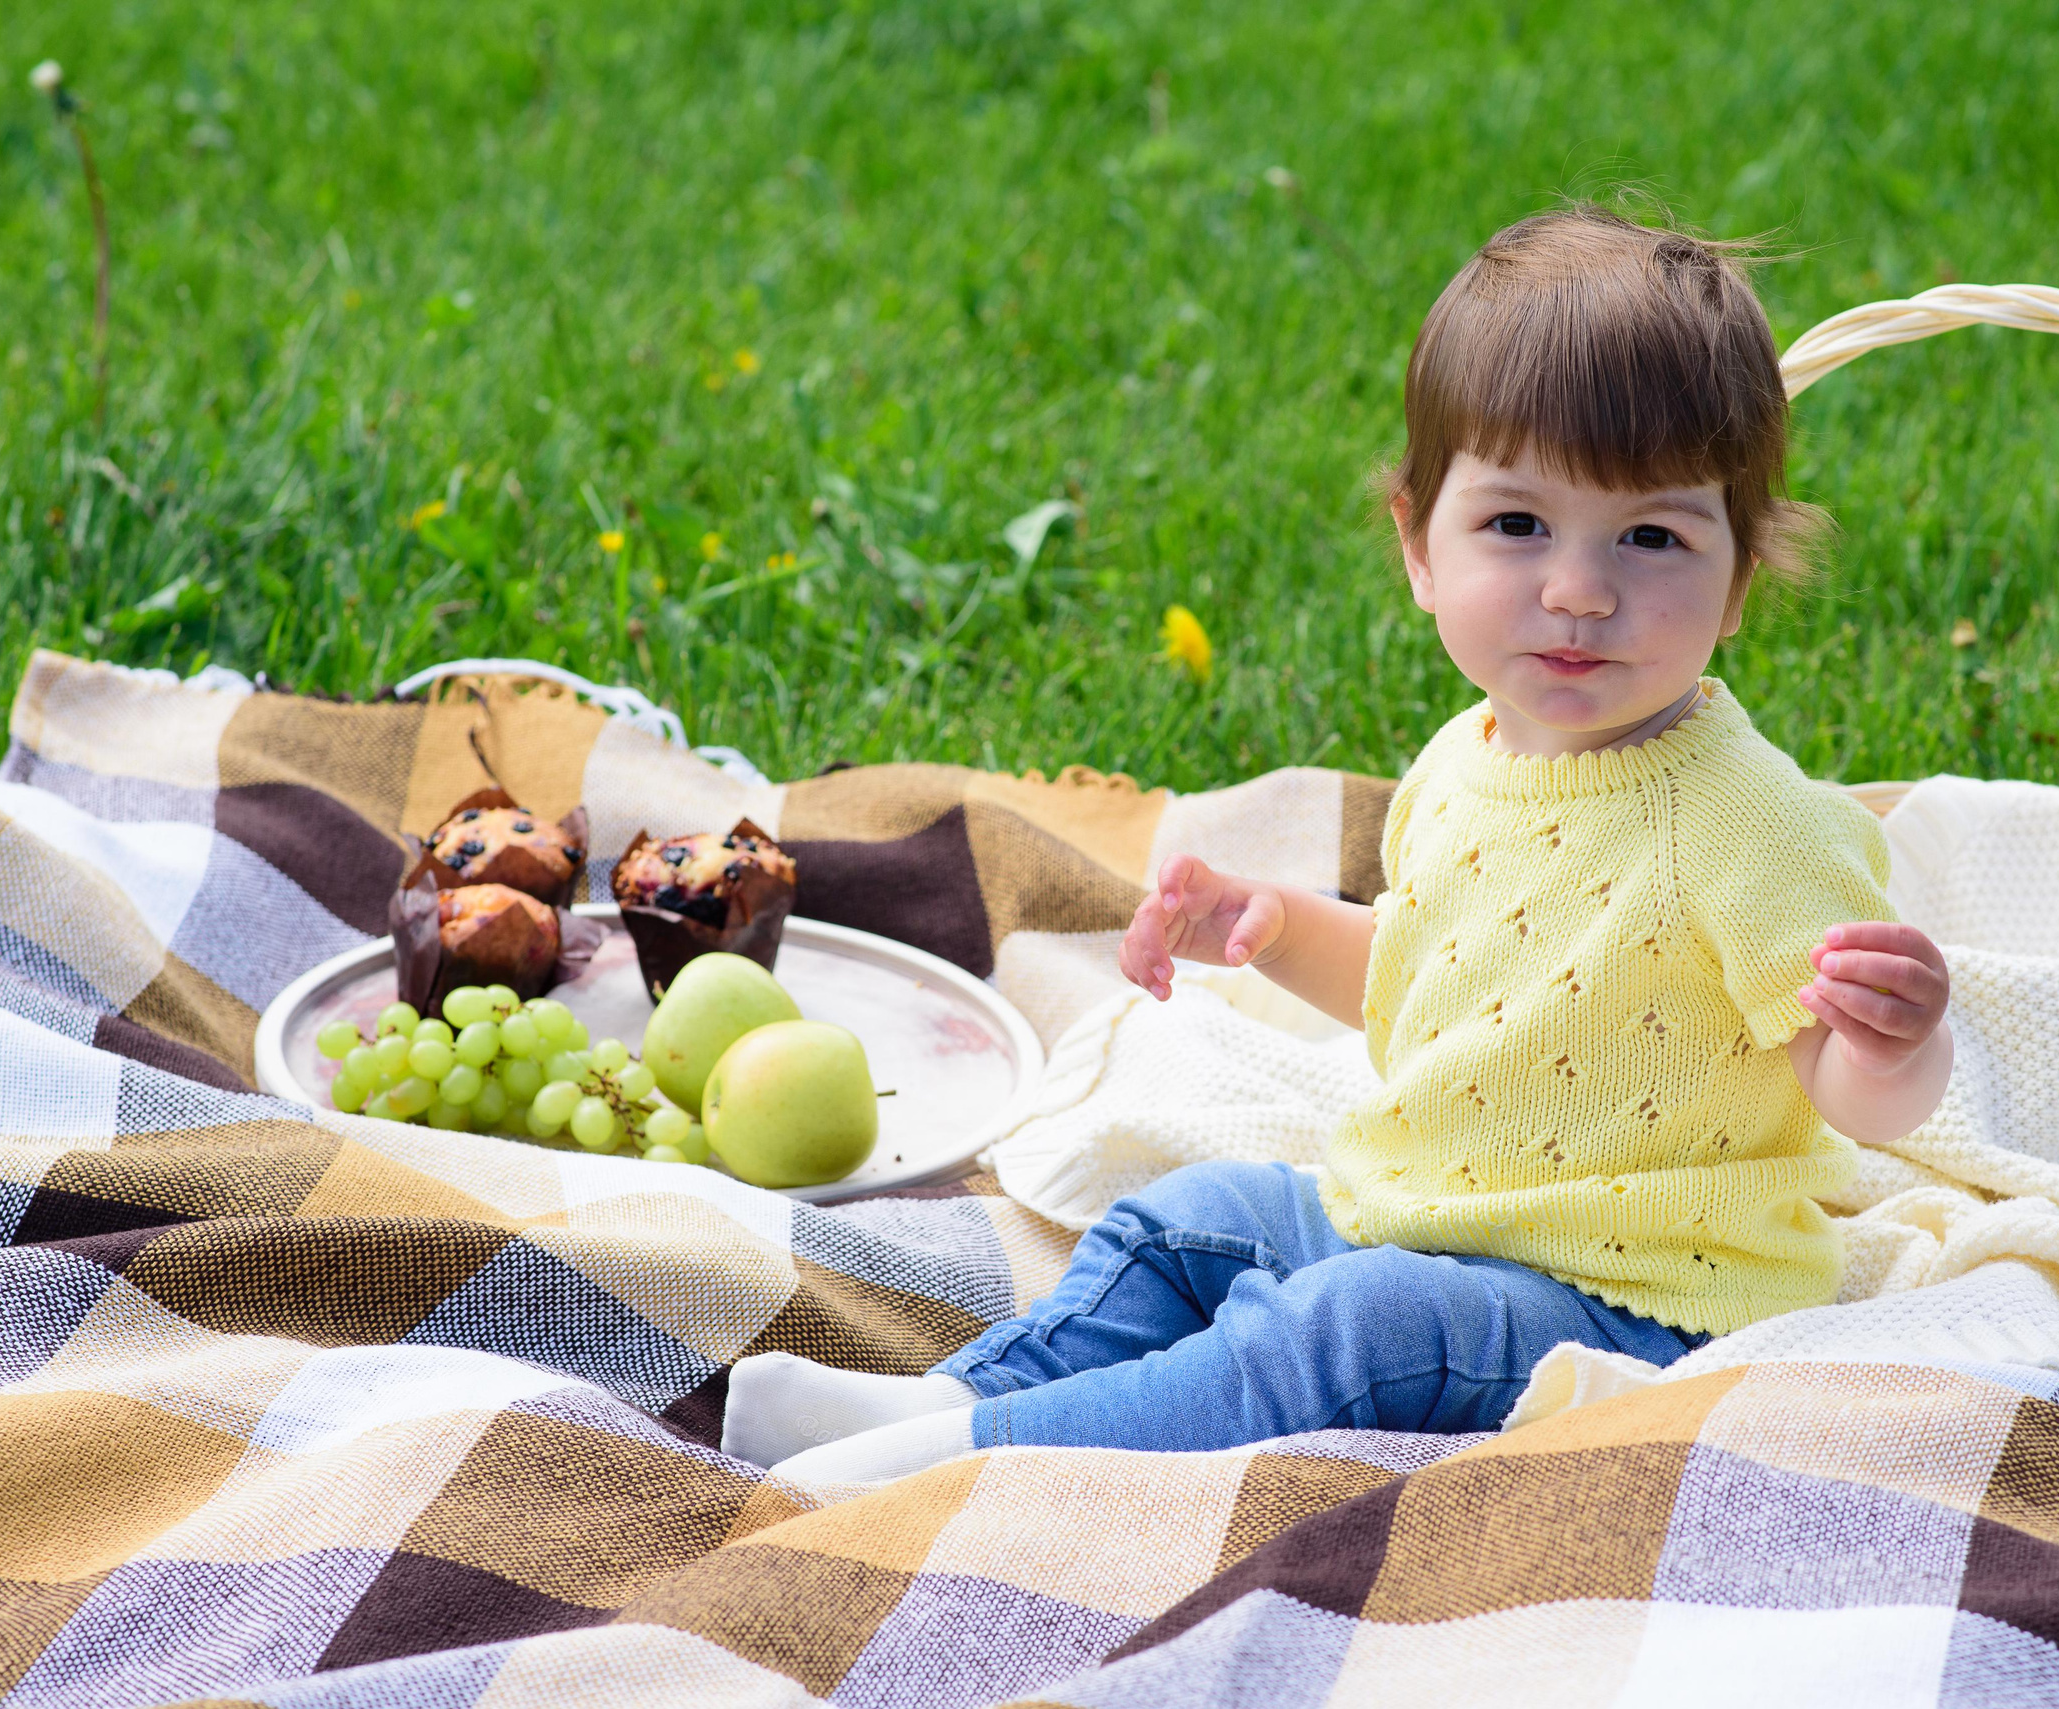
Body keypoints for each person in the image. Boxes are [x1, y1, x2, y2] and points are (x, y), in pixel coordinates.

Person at [720, 204, 1953, 1483]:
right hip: (1417, 1213)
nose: (1580, 589)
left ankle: (969, 1456)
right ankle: (941, 1400)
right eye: (1517, 526)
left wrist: (1892, 1043)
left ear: (1742, 578)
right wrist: (1274, 924)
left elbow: (1849, 1093)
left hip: (1631, 1297)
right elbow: (1428, 986)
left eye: (1651, 537)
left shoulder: (1753, 825)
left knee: (1347, 1331)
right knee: (1181, 1221)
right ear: (1419, 546)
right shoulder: (1464, 758)